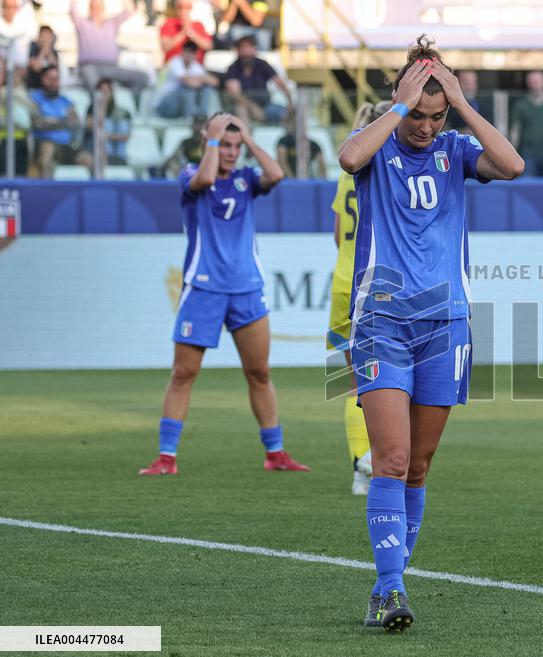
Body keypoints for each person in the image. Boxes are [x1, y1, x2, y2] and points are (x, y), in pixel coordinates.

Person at [337, 34, 523, 632]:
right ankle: (390, 588)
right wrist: (399, 104)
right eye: (418, 113)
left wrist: (463, 105)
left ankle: (386, 584)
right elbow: (348, 157)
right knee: (390, 459)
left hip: (446, 324)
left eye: (435, 116)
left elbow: (513, 165)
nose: (425, 126)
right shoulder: (379, 147)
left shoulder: (455, 150)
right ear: (401, 101)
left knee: (418, 465)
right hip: (382, 321)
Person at [139, 112, 310, 476]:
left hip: (246, 288)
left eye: (235, 146)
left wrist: (249, 139)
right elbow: (204, 178)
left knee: (259, 372)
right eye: (225, 145)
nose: (231, 153)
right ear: (208, 141)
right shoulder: (190, 175)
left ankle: (275, 453)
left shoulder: (246, 179)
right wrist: (213, 141)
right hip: (204, 288)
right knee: (184, 373)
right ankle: (167, 457)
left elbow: (277, 173)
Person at [328, 100, 390, 496]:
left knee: (355, 384)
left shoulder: (346, 170)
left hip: (342, 284)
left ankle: (360, 467)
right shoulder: (390, 170)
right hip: (378, 285)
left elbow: (338, 236)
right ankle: (379, 460)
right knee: (392, 382)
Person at [70, 0, 150, 95]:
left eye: (99, 7)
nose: (97, 9)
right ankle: (100, 103)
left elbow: (129, 11)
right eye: (94, 6)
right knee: (94, 82)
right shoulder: (82, 23)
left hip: (111, 67)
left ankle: (128, 103)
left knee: (142, 78)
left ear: (103, 9)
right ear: (90, 8)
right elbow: (72, 10)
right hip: (89, 66)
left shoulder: (112, 23)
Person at [223, 35, 291, 124]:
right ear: (238, 50)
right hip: (244, 105)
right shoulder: (233, 69)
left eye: (249, 47)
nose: (246, 50)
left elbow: (279, 82)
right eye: (243, 47)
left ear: (254, 49)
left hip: (265, 105)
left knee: (286, 113)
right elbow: (235, 94)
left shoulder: (262, 65)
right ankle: (246, 132)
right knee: (240, 108)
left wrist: (290, 101)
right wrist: (252, 106)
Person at [29, 65, 81, 178]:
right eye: (50, 78)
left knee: (88, 158)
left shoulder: (65, 100)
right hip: (44, 142)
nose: (53, 82)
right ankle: (46, 188)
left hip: (66, 144)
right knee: (47, 151)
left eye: (56, 79)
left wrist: (51, 121)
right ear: (43, 79)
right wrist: (63, 121)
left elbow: (76, 122)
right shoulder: (34, 98)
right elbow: (38, 122)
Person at [155, 40, 218, 119]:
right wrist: (201, 79)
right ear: (182, 52)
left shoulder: (195, 66)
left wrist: (197, 79)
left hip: (179, 105)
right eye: (187, 51)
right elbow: (190, 83)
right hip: (165, 104)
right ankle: (189, 121)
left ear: (195, 54)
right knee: (188, 91)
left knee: (207, 89)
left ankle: (201, 117)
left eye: (192, 52)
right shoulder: (175, 62)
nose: (188, 55)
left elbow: (214, 82)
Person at [78, 77, 131, 170]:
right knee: (106, 126)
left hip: (114, 143)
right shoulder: (92, 109)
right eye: (101, 91)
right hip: (94, 146)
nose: (104, 95)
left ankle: (119, 158)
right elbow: (93, 127)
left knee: (118, 125)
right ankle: (107, 156)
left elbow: (126, 135)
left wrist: (109, 136)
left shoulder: (121, 112)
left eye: (106, 92)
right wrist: (102, 107)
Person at [0, 58, 32, 174]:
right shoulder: (4, 93)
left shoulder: (21, 93)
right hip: (5, 140)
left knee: (21, 173)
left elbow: (28, 116)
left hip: (21, 138)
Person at [0, 0, 37, 76]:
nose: (10, 10)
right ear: (3, 8)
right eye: (7, 7)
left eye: (13, 7)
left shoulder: (24, 24)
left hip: (20, 69)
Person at [163, 113, 207, 178]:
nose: (199, 128)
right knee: (171, 162)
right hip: (191, 173)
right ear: (192, 125)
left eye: (202, 124)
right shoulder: (186, 143)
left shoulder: (211, 142)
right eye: (197, 124)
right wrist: (180, 172)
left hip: (208, 172)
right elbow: (174, 158)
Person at [26, 25, 58, 90]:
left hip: (49, 89)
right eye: (44, 37)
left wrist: (48, 51)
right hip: (34, 88)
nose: (46, 40)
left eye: (48, 37)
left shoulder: (53, 51)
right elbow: (36, 68)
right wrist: (43, 51)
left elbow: (55, 67)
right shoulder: (33, 48)